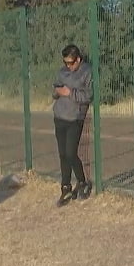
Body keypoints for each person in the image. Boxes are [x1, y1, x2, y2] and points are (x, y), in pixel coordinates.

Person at [52, 44, 93, 207]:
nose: (68, 66)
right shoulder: (62, 72)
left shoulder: (87, 72)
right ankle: (66, 186)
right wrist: (58, 92)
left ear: (78, 59)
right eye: (65, 63)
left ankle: (82, 181)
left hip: (75, 118)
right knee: (62, 154)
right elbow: (54, 88)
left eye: (70, 63)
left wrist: (71, 93)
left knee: (71, 153)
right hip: (60, 116)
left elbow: (89, 95)